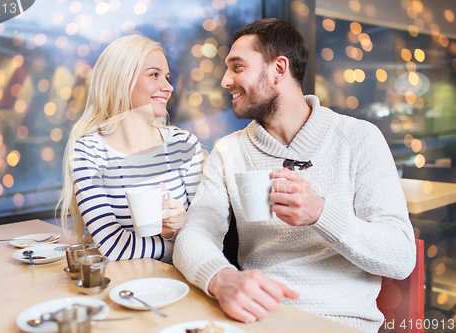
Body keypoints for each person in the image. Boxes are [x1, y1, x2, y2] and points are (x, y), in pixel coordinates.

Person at [173, 18, 416, 333]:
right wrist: (222, 279)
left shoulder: (359, 138)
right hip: (257, 319)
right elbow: (195, 234)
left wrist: (321, 214)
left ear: (278, 69)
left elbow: (400, 257)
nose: (224, 80)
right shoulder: (229, 151)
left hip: (340, 323)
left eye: (237, 67)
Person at [58, 35, 203, 263]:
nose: (168, 87)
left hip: (183, 285)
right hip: (127, 287)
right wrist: (174, 243)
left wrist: (177, 227)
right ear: (121, 80)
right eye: (154, 75)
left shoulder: (183, 145)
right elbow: (113, 247)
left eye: (166, 77)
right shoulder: (88, 152)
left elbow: (207, 234)